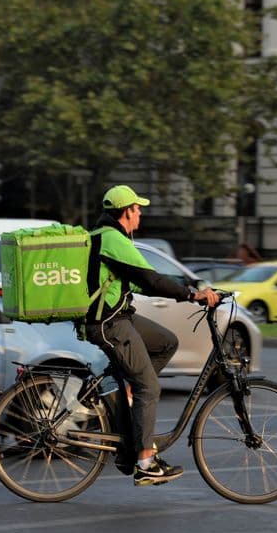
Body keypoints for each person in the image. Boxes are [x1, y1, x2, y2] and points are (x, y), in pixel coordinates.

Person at [84, 185, 220, 486]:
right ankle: (146, 461)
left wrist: (184, 294)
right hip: (108, 323)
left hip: (117, 317)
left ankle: (125, 393)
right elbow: (152, 278)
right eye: (137, 208)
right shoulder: (112, 238)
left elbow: (143, 282)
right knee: (150, 385)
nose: (140, 213)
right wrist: (192, 294)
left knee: (166, 342)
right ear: (126, 212)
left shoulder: (107, 237)